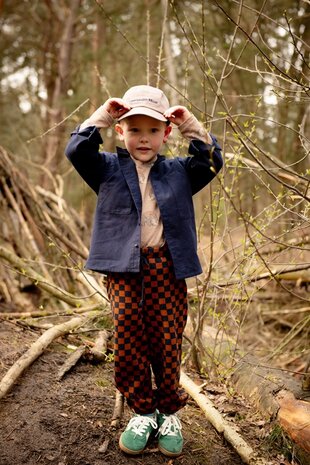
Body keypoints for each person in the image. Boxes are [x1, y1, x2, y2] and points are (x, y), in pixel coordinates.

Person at [65, 85, 223, 457]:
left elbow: (213, 160)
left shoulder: (180, 171)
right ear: (120, 131)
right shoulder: (106, 168)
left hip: (167, 267)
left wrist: (190, 124)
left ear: (165, 134)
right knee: (130, 339)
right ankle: (142, 410)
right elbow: (76, 149)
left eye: (153, 130)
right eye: (134, 129)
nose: (144, 138)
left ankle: (169, 411)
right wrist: (103, 114)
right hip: (123, 270)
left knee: (167, 341)